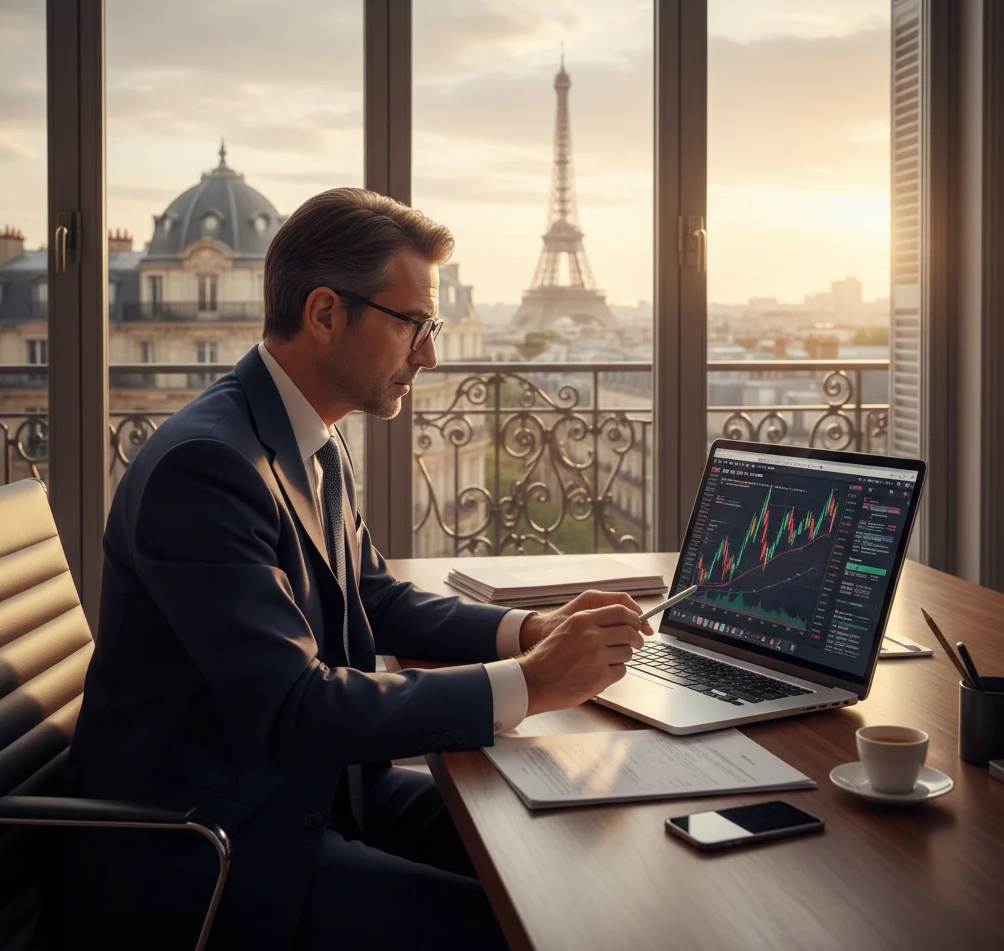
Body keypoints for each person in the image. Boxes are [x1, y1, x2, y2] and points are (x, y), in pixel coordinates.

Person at [54, 188, 651, 950]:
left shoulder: (303, 433)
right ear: (326, 313)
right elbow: (295, 709)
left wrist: (530, 630)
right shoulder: (206, 466)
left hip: (306, 796)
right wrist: (533, 684)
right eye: (414, 326)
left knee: (572, 850)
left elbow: (376, 599)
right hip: (206, 848)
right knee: (524, 923)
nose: (430, 355)